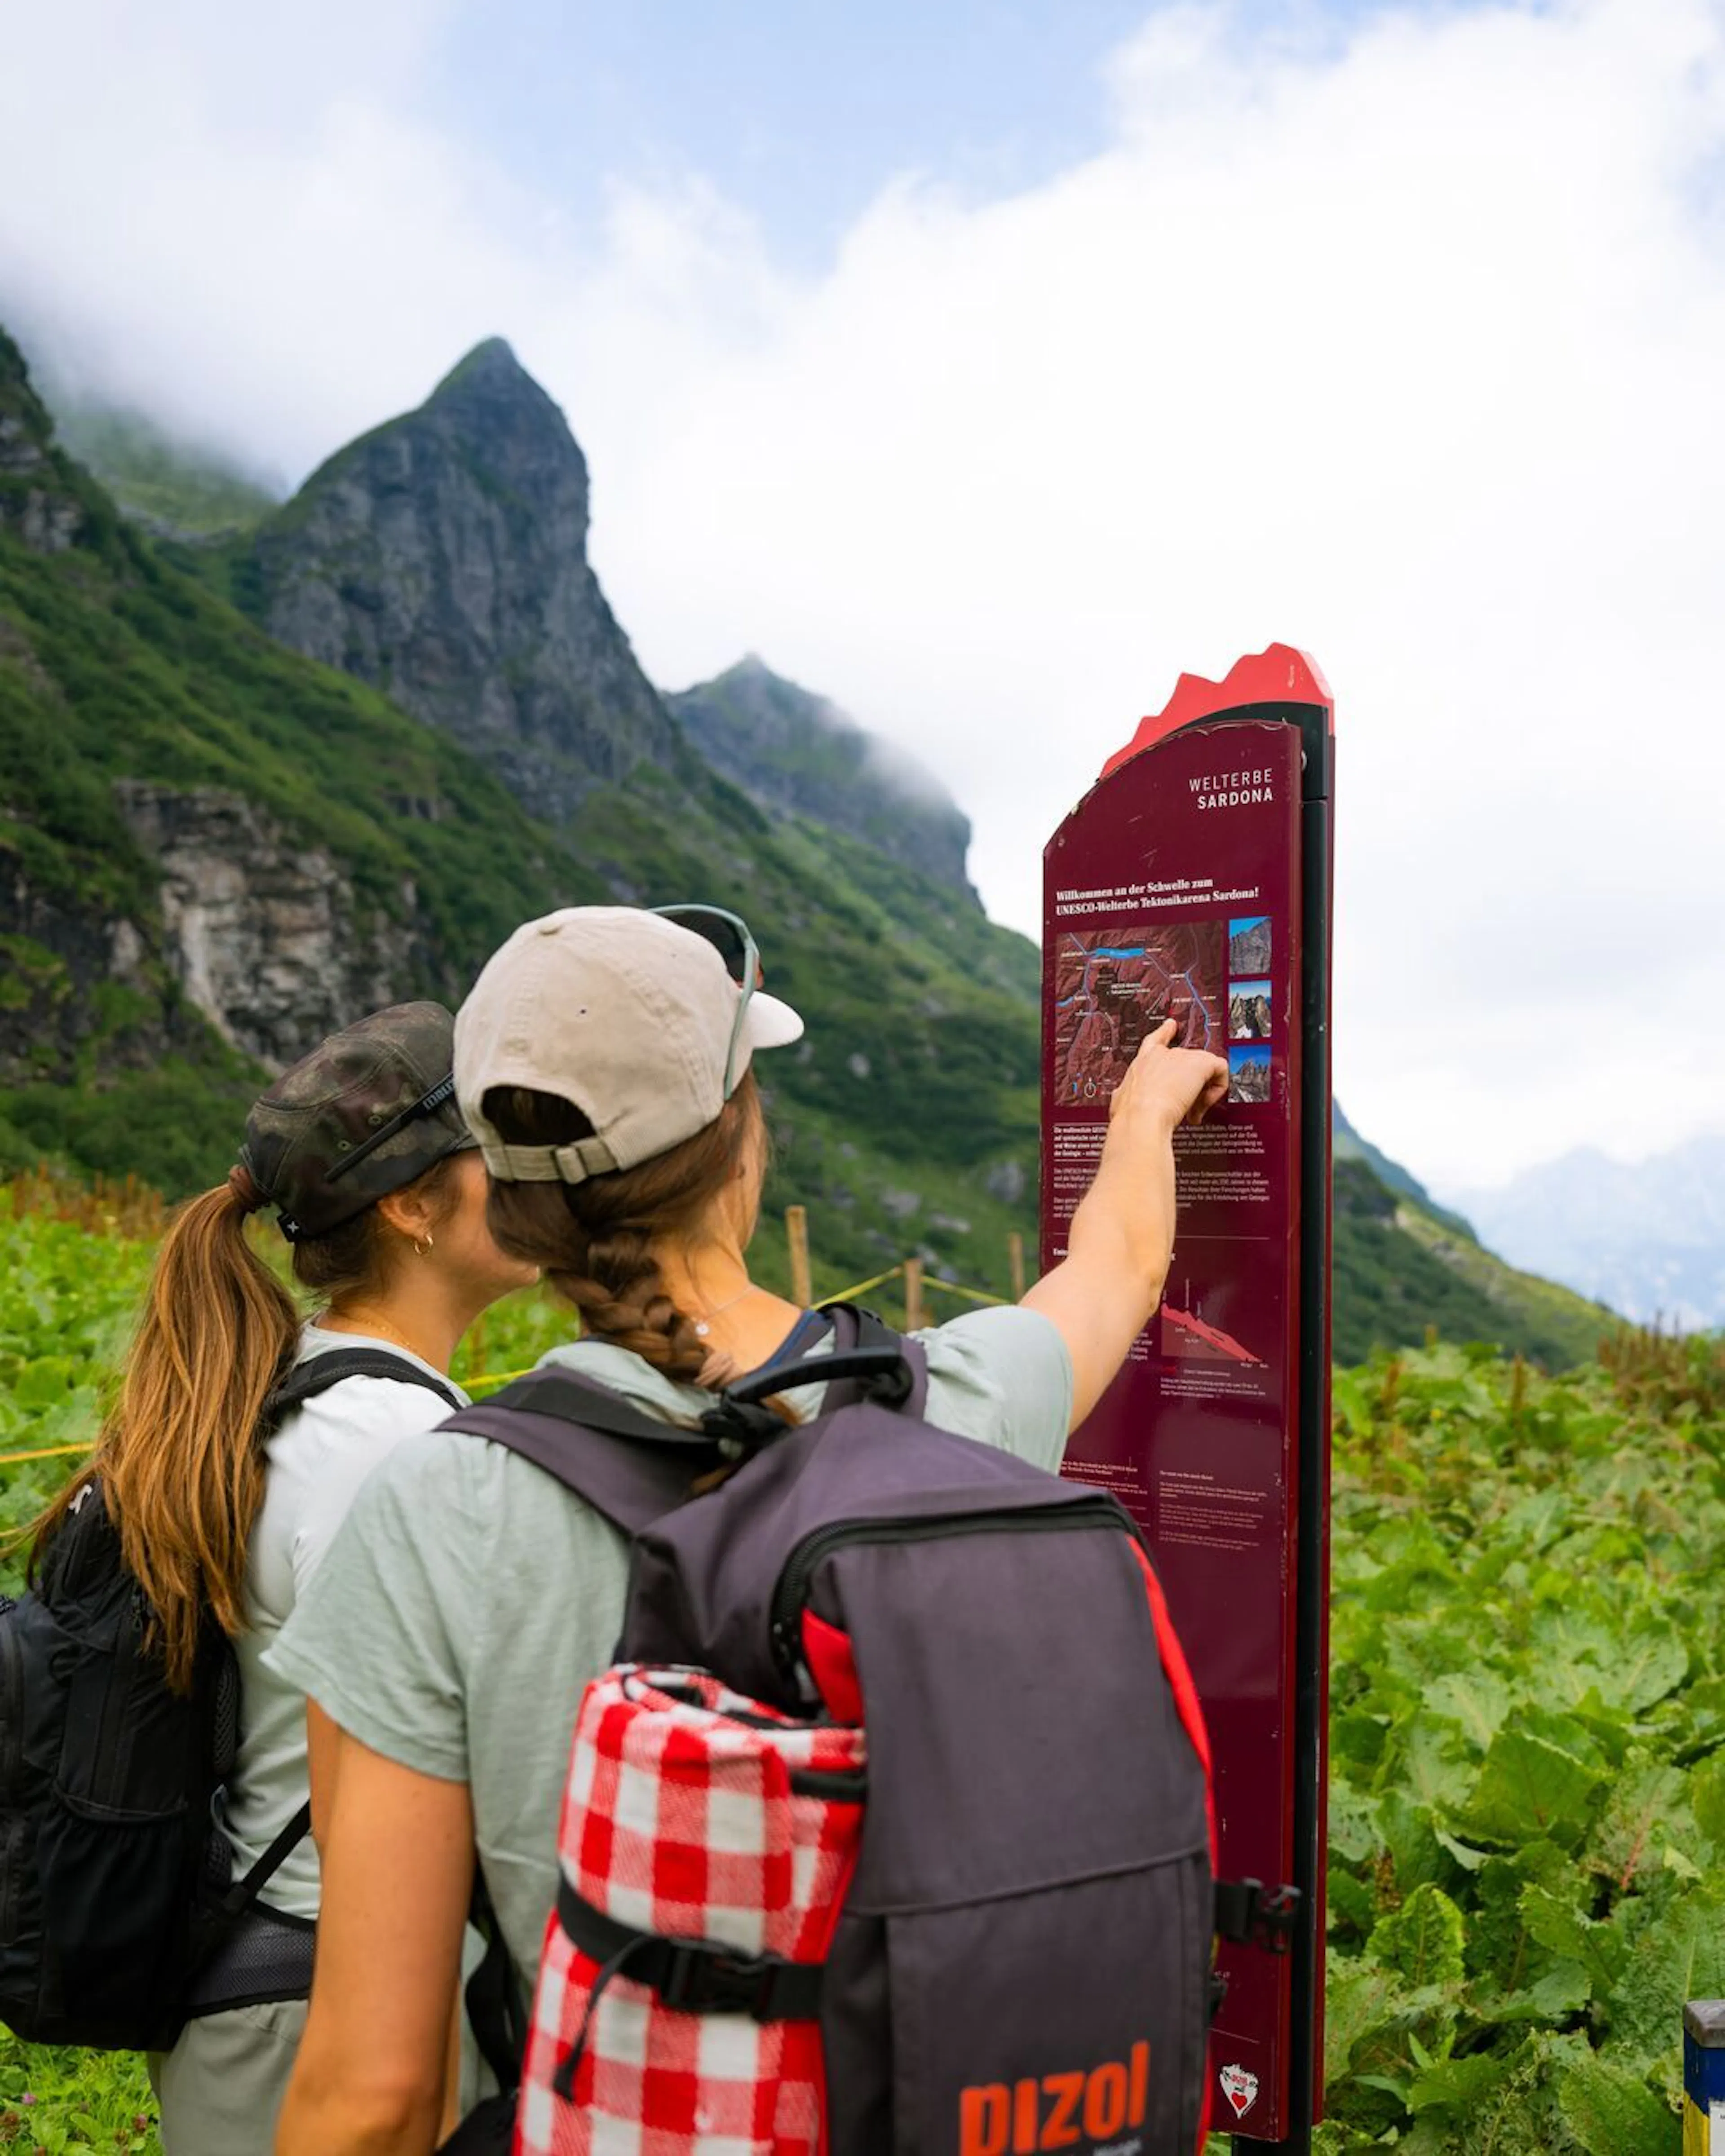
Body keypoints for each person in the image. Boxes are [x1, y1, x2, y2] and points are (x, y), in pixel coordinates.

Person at [268, 906, 1230, 2156]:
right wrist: (1145, 1113)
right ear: (741, 1142)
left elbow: (376, 2095)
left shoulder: (433, 1507)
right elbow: (1117, 1267)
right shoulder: (956, 1408)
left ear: (506, 1200)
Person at [31, 1003, 536, 2156]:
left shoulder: (293, 1387)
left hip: (260, 2000)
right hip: (330, 2017)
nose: (531, 1168)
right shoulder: (391, 1450)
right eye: (493, 1145)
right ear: (410, 1205)